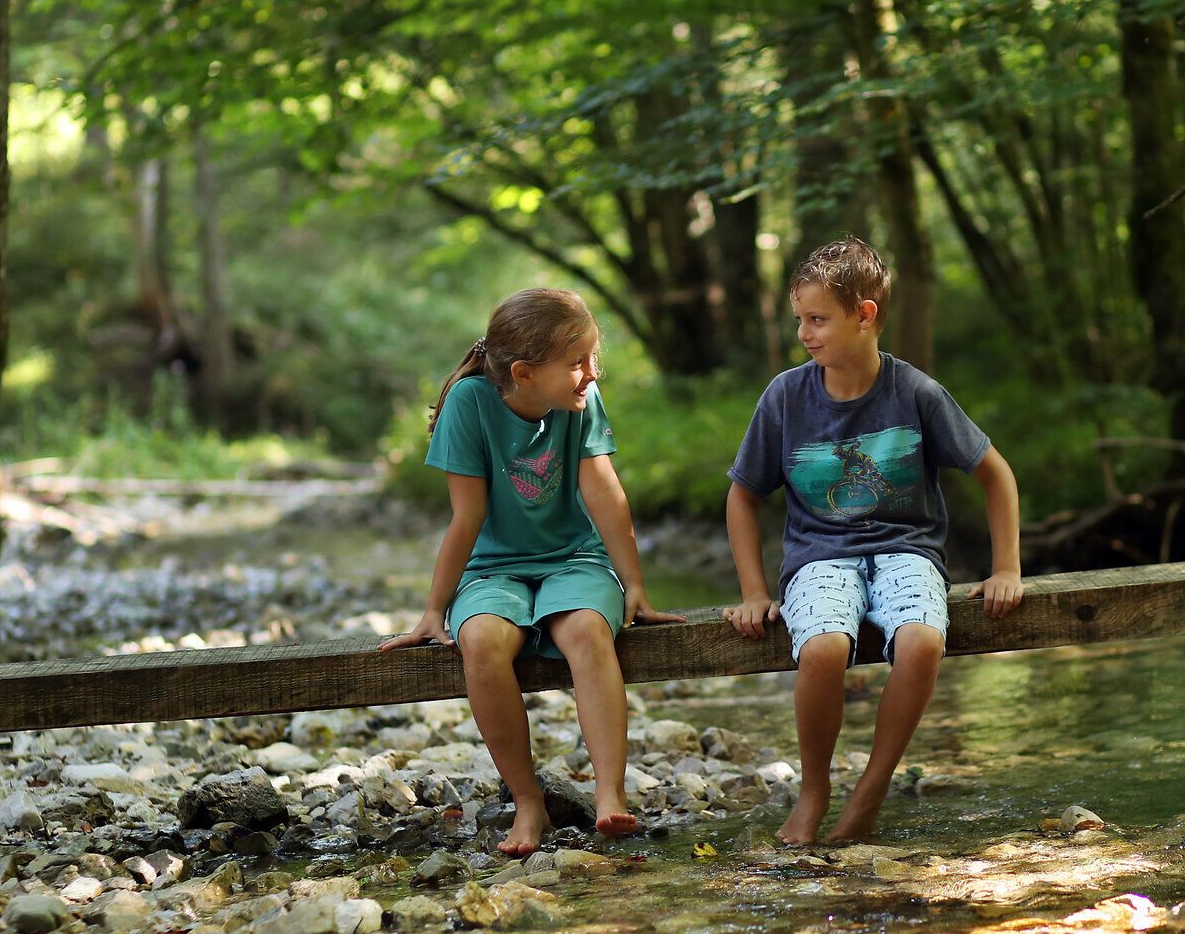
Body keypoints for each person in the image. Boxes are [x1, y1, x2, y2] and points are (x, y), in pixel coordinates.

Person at [725, 237, 1024, 845]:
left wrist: (1007, 568)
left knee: (919, 642)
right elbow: (742, 495)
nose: (805, 334)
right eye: (800, 320)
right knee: (827, 649)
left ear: (864, 315)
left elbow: (996, 474)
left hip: (907, 551)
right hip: (819, 556)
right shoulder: (785, 397)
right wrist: (754, 590)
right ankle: (815, 789)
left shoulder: (915, 393)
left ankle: (872, 786)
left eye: (818, 319)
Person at [380, 288, 682, 855]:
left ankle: (610, 794)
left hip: (574, 559)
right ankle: (527, 800)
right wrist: (432, 609)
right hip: (493, 568)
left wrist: (634, 585)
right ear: (523, 371)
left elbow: (604, 492)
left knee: (589, 631)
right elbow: (466, 517)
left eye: (594, 358)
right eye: (576, 363)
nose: (591, 374)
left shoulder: (580, 400)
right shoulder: (469, 405)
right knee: (482, 642)